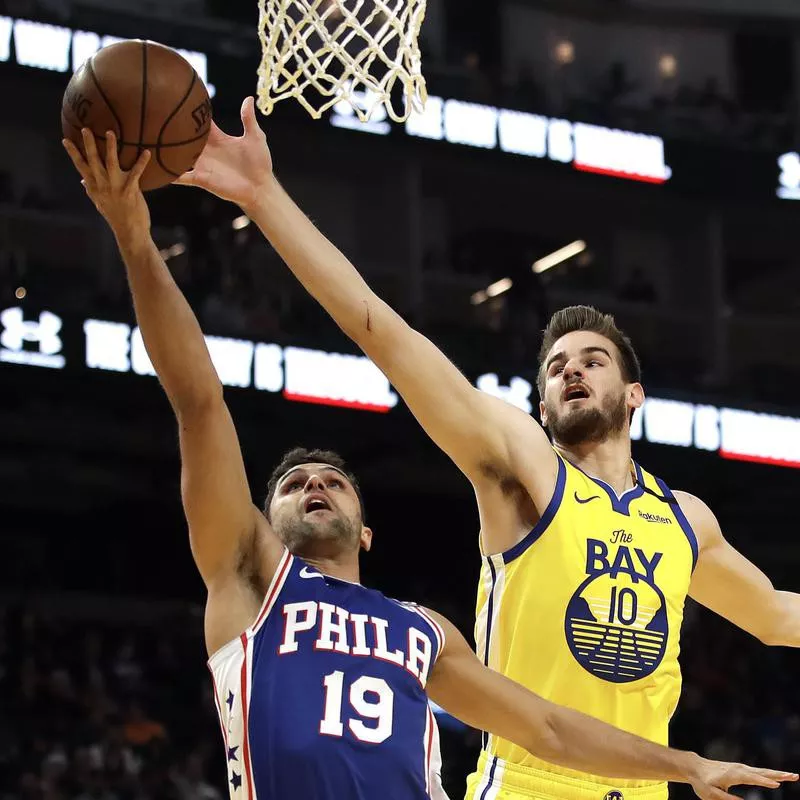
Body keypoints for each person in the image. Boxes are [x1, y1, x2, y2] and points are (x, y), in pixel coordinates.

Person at [171, 97, 800, 800]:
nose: (572, 369)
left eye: (593, 360)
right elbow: (383, 333)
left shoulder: (686, 519)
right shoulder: (521, 462)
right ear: (540, 405)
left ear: (633, 395)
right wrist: (264, 197)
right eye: (558, 365)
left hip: (643, 786)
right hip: (531, 782)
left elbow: (776, 617)